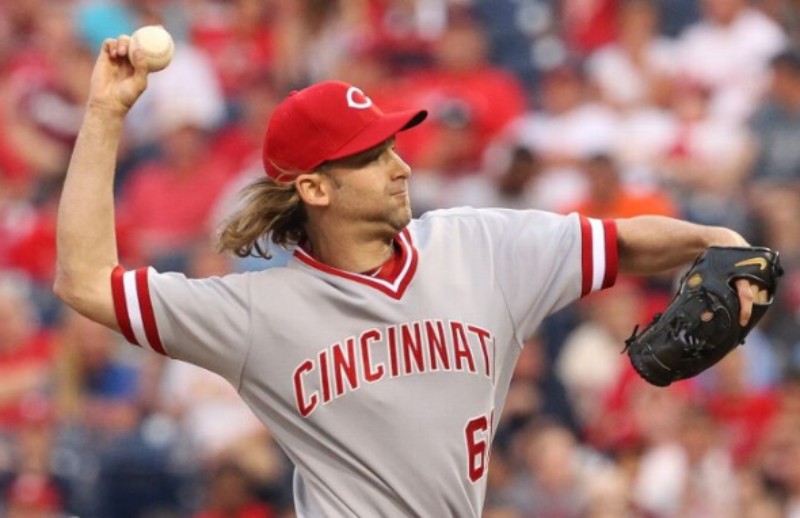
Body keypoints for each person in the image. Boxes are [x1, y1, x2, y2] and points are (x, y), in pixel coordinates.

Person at [54, 35, 769, 517]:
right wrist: (106, 112)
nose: (399, 166)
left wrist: (717, 239)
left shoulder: (481, 246)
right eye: (371, 156)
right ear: (315, 188)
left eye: (393, 145)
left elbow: (624, 243)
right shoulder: (255, 311)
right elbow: (85, 280)